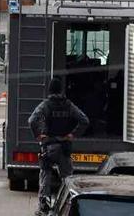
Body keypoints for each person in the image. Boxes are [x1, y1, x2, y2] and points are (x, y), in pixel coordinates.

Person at [29, 77, 90, 215]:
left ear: (50, 90)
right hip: (64, 147)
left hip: (49, 146)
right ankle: (70, 206)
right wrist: (73, 134)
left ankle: (44, 206)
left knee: (45, 175)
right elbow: (84, 120)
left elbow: (32, 120)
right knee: (68, 179)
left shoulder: (46, 105)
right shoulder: (69, 105)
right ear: (61, 90)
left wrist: (38, 135)